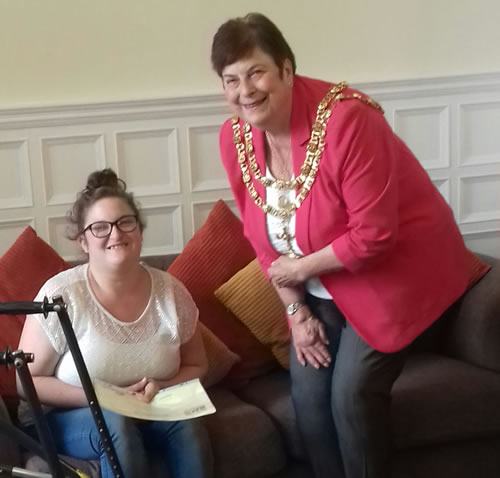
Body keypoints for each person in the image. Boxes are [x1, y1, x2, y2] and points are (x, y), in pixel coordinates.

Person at [211, 12, 489, 478]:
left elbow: (375, 234)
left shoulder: (347, 121)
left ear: (286, 68)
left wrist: (298, 271)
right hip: (321, 289)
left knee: (352, 396)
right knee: (309, 397)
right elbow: (261, 239)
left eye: (256, 72)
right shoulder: (235, 138)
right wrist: (296, 313)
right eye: (231, 79)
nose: (246, 90)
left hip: (392, 275)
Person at [17, 169, 214, 478]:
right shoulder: (60, 295)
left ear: (139, 230)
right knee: (114, 422)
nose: (116, 234)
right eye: (100, 227)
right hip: (63, 418)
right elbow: (25, 381)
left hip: (146, 410)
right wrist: (103, 396)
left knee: (188, 424)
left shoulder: (171, 291)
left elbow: (197, 364)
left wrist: (161, 386)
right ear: (83, 241)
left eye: (125, 222)